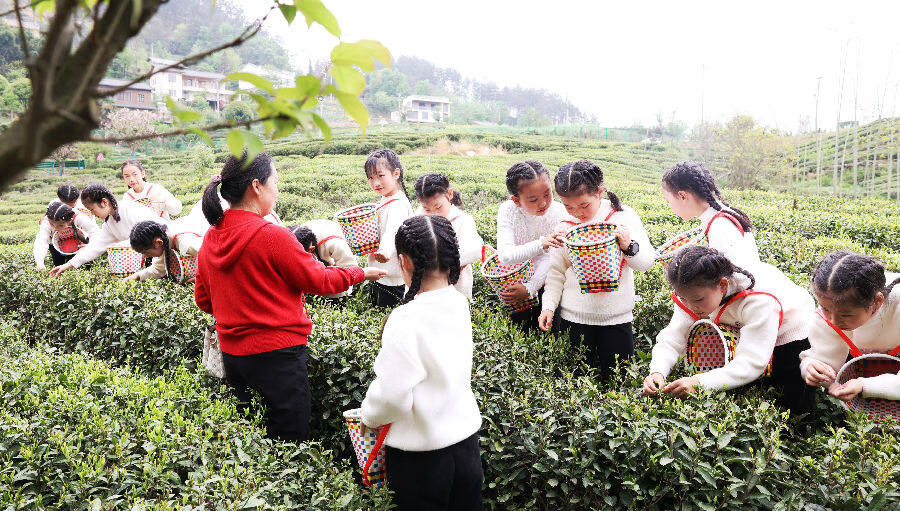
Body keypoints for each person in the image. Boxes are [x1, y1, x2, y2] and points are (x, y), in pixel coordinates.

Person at [193, 151, 385, 441]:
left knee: (255, 437)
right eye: (275, 182)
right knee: (291, 440)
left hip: (233, 357)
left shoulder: (211, 236)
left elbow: (203, 300)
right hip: (277, 357)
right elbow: (319, 279)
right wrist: (360, 273)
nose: (278, 190)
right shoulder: (273, 235)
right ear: (257, 186)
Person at [361, 215, 483, 511]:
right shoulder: (458, 302)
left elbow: (392, 397)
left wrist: (369, 417)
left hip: (422, 460)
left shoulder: (406, 319)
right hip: (467, 449)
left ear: (404, 262)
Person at [643, 246, 816, 419]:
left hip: (791, 328)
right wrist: (657, 371)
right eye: (683, 299)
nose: (690, 307)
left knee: (791, 400)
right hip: (743, 321)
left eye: (697, 300)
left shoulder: (759, 301)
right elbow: (673, 338)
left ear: (723, 285)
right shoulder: (692, 292)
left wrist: (699, 382)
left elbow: (751, 363)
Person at [538, 160, 655, 380]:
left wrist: (628, 247)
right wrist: (549, 307)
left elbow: (646, 263)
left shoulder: (622, 216)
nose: (577, 213)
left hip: (617, 320)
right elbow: (556, 273)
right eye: (568, 206)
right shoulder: (564, 225)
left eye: (583, 205)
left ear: (600, 192)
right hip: (574, 320)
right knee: (579, 386)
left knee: (619, 386)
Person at [800, 251, 900, 404]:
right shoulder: (829, 313)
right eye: (825, 309)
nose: (833, 321)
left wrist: (864, 385)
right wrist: (811, 367)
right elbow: (824, 361)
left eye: (846, 315)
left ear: (877, 302)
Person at [495, 160, 568, 330]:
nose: (543, 203)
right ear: (516, 200)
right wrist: (541, 243)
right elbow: (505, 256)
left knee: (551, 333)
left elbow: (551, 258)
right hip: (516, 281)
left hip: (548, 284)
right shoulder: (507, 210)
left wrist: (530, 288)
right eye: (533, 199)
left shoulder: (558, 212)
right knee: (522, 335)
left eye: (547, 194)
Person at [660, 160, 759, 269]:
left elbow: (725, 280)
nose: (669, 206)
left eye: (668, 201)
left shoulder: (720, 226)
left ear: (683, 196)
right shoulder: (719, 215)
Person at [49, 184, 161, 277]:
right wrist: (67, 265)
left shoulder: (129, 210)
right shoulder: (109, 223)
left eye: (92, 209)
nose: (93, 214)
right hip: (152, 257)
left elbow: (149, 235)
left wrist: (118, 244)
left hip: (161, 250)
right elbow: (96, 247)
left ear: (104, 202)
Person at [414, 172, 483, 299]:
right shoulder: (418, 216)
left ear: (449, 194)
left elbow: (474, 251)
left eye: (438, 207)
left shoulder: (463, 221)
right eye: (427, 209)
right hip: (427, 287)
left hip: (456, 288)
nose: (433, 214)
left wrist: (440, 261)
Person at [364, 148, 413, 308]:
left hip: (393, 278)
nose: (375, 182)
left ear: (396, 174)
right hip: (382, 274)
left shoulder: (397, 205)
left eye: (380, 175)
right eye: (371, 177)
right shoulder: (386, 200)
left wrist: (385, 250)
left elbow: (393, 230)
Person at [289, 221, 358, 298]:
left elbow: (351, 268)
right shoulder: (298, 235)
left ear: (311, 249)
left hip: (332, 238)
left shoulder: (334, 243)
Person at [125, 219, 202, 282]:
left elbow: (212, 255)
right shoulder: (164, 241)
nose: (145, 256)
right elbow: (158, 269)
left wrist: (201, 278)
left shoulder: (187, 243)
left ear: (159, 242)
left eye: (146, 252)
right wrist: (135, 276)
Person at [33, 201, 99, 269]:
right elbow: (41, 241)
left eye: (60, 225)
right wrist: (40, 262)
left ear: (70, 220)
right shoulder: (46, 223)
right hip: (57, 247)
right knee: (59, 266)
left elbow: (95, 232)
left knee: (85, 266)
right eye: (52, 224)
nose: (56, 228)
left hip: (78, 243)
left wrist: (91, 244)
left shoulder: (79, 218)